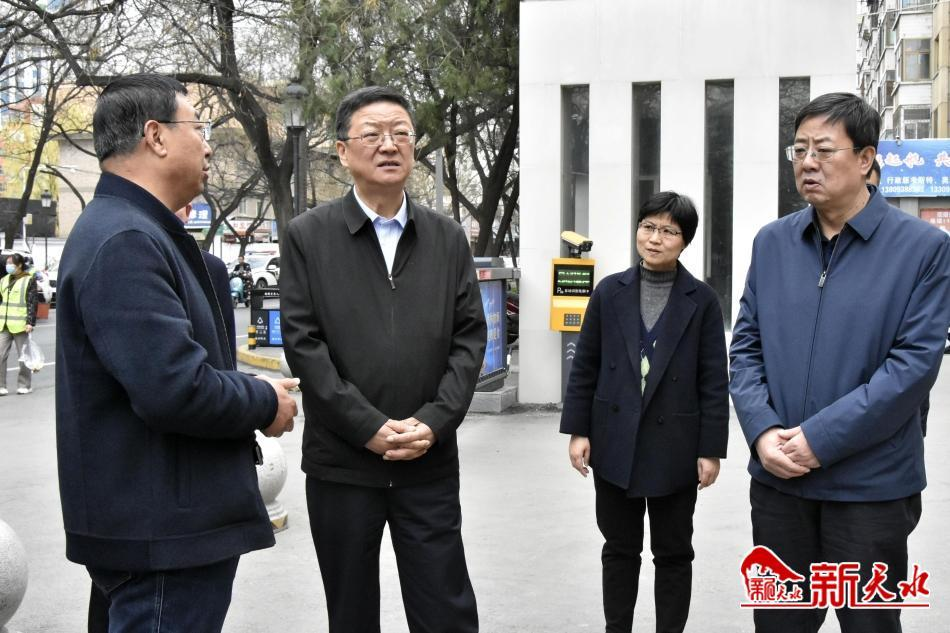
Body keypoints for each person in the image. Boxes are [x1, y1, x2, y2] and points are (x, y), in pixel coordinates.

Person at [56, 73, 299, 632]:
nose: (208, 146)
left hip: (162, 528)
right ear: (156, 136)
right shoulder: (127, 240)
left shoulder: (136, 230)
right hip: (163, 539)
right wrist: (263, 400)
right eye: (199, 128)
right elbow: (174, 387)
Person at [730, 92, 950, 633]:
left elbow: (912, 367)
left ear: (866, 158)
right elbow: (746, 346)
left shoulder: (922, 248)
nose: (808, 162)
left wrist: (819, 440)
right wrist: (762, 431)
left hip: (870, 490)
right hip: (780, 485)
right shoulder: (773, 243)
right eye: (799, 149)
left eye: (824, 150)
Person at [280, 85, 487, 633]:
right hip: (343, 464)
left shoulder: (447, 238)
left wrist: (434, 422)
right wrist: (366, 427)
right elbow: (303, 344)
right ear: (343, 151)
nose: (388, 145)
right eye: (372, 134)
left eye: (400, 134)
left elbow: (469, 339)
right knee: (350, 613)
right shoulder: (308, 236)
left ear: (414, 148)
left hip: (427, 460)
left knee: (446, 610)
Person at [559, 191, 729, 633]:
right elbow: (586, 366)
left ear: (685, 241)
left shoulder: (702, 300)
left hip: (676, 446)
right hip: (614, 440)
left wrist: (711, 449)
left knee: (674, 553)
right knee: (619, 549)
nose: (655, 239)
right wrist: (578, 430)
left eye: (668, 231)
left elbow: (714, 379)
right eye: (648, 227)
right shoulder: (609, 292)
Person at [0, 252, 39, 395]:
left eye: (11, 264)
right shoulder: (3, 280)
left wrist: (30, 322)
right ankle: (1, 386)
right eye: (7, 263)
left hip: (21, 325)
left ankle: (24, 385)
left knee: (23, 357)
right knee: (0, 355)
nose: (8, 266)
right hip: (3, 324)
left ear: (20, 265)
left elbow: (32, 302)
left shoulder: (29, 280)